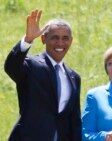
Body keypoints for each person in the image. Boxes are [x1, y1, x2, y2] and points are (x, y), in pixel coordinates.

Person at [4, 9, 81, 141]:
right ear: (44, 38)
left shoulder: (74, 77)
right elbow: (11, 67)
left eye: (65, 38)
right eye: (54, 37)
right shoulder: (31, 65)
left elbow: (74, 120)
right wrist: (28, 39)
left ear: (71, 41)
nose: (60, 43)